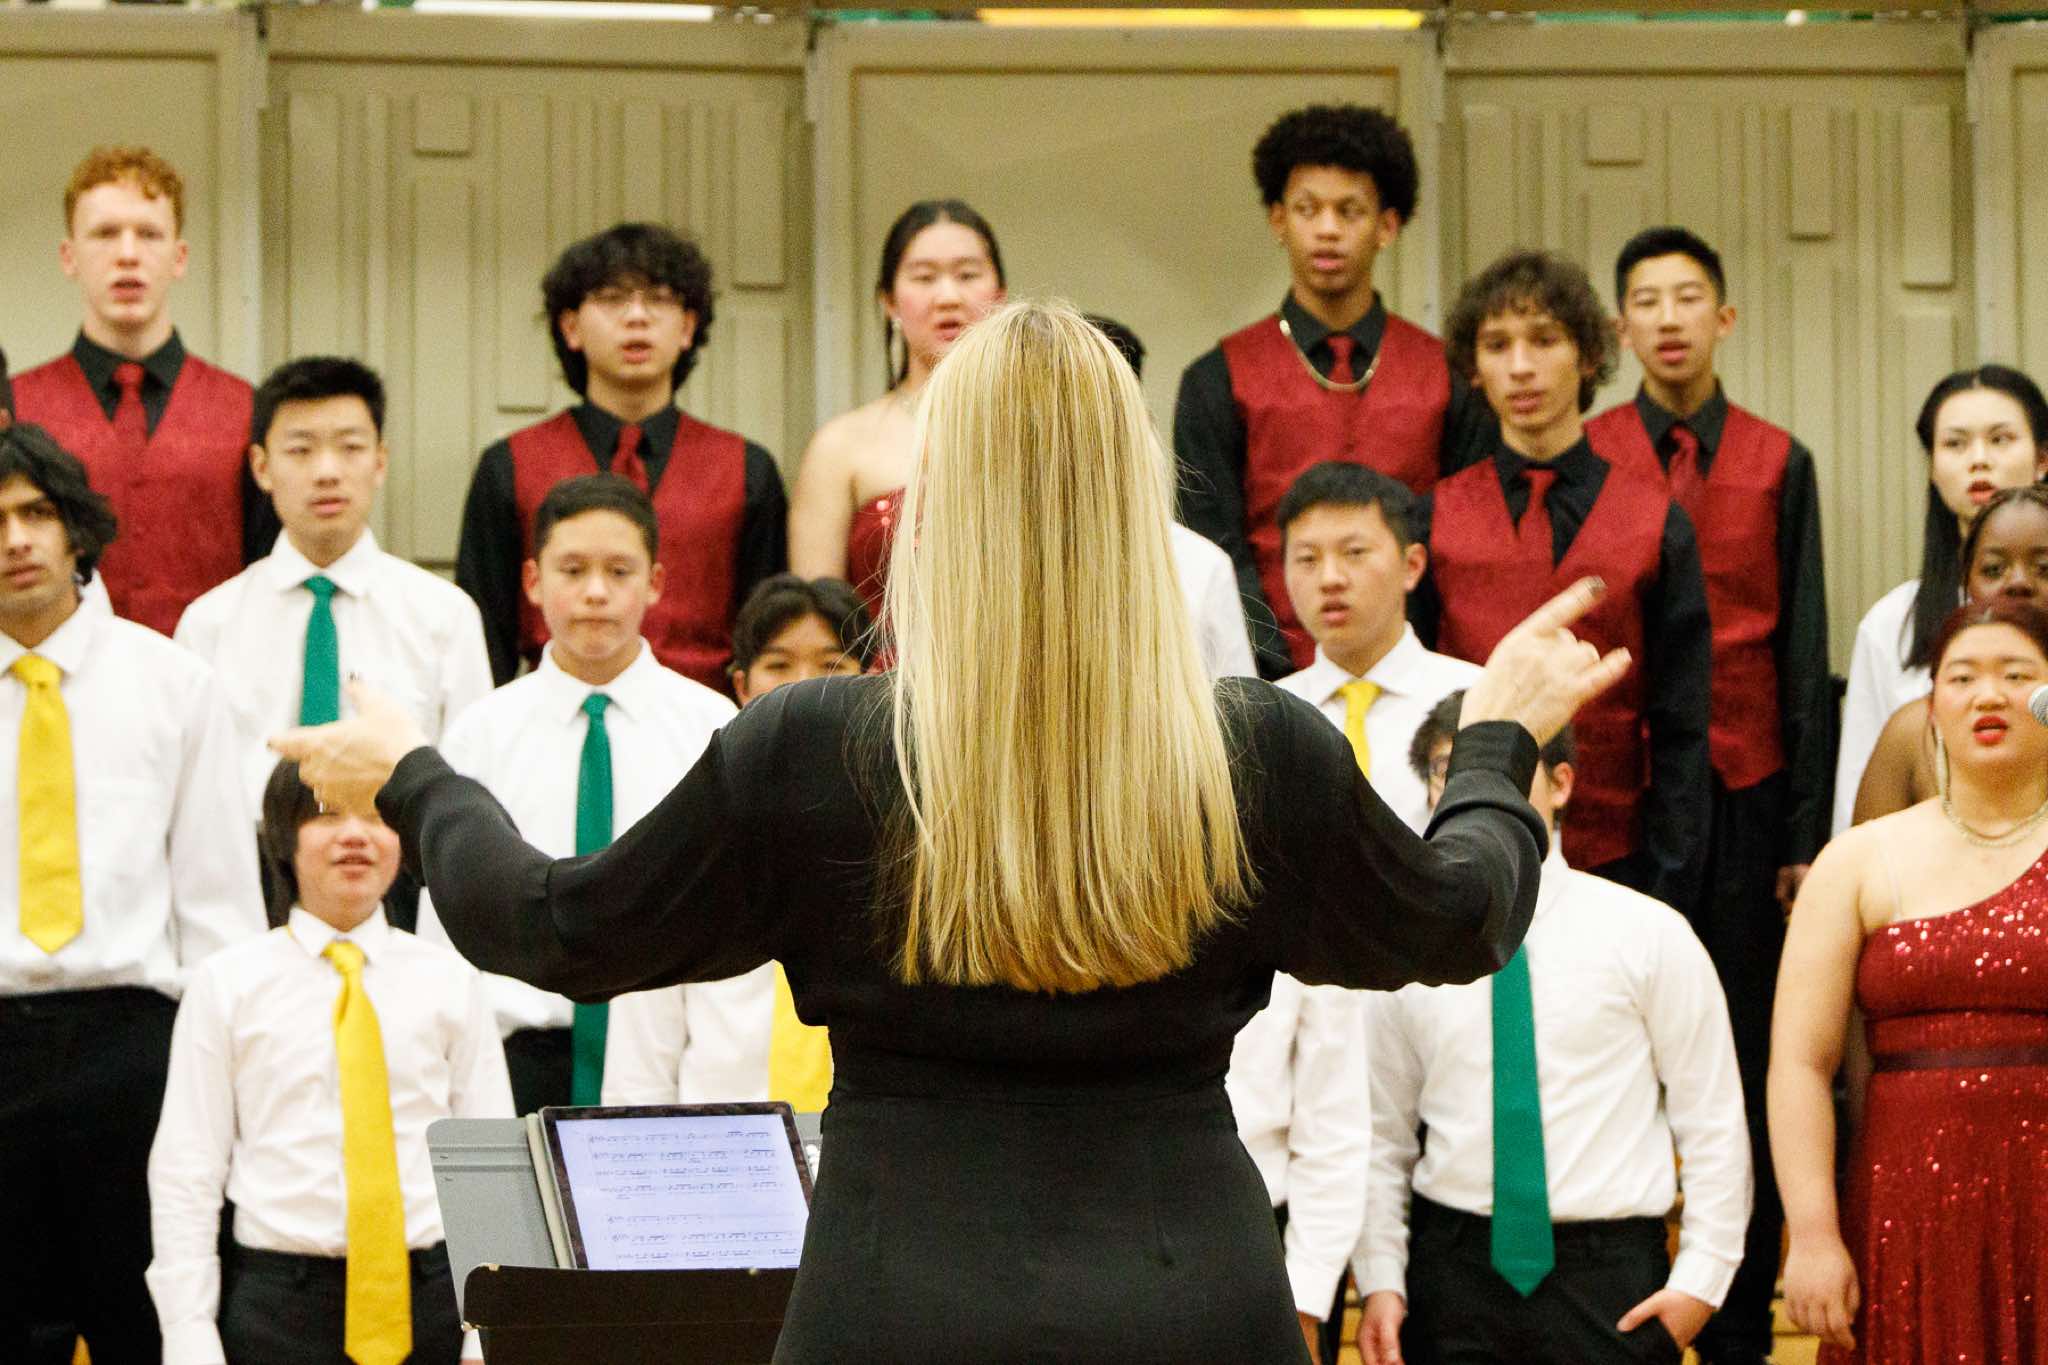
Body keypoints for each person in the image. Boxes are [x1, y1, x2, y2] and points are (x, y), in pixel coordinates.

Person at [276, 299, 1629, 1364]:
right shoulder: (1256, 748)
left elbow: (550, 926)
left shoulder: (811, 747)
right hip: (1194, 1301)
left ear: (940, 500)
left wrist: (416, 779)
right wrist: (1496, 739)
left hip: (891, 1301)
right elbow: (1460, 918)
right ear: (1133, 495)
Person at [1584, 225, 1832, 1365]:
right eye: (1647, 300)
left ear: (1723, 318)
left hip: (1745, 792)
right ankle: (1626, 1285)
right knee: (1618, 1042)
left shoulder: (1780, 460)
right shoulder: (1588, 455)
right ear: (1620, 327)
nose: (1669, 318)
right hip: (1621, 792)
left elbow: (1802, 649)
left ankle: (1739, 1319)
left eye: (1689, 298)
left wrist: (1801, 835)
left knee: (1737, 1044)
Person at [1356, 691, 1750, 1365]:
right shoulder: (1413, 951)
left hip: (1610, 1273)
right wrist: (1381, 1279)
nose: (1475, 787)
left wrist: (1701, 1283)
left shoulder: (1647, 934)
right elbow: (1381, 1133)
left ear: (1562, 783)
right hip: (1452, 1271)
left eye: (1506, 767)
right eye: (1450, 770)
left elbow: (1711, 1120)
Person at [0, 422, 263, 1364]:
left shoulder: (174, 684)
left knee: (144, 1324)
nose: (15, 539)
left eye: (36, 512)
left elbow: (220, 905)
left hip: (135, 1047)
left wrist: (231, 1084)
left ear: (78, 527)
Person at [146, 761, 510, 1365]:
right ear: (283, 838)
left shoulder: (451, 980)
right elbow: (188, 1169)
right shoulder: (227, 984)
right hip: (278, 1306)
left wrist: (487, 1329)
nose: (354, 835)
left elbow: (490, 1162)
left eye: (374, 816)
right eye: (328, 814)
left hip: (434, 1300)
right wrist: (188, 1332)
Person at [1771, 595, 2048, 1363]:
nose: (1988, 694)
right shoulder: (1859, 859)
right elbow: (1800, 1063)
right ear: (1929, 708)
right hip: (1908, 1202)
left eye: (2016, 674)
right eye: (1962, 677)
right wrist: (1814, 1234)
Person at [423, 474, 743, 1114]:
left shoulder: (712, 730)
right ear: (532, 580)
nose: (596, 592)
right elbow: (448, 921)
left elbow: (729, 925)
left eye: (619, 571)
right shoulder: (480, 735)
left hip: (665, 1061)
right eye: (572, 570)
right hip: (511, 1060)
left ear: (655, 582)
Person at [1414, 249, 1713, 913]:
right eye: (1497, 345)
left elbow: (1682, 725)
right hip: (1467, 845)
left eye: (1544, 340)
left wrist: (1670, 880)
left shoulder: (1659, 521)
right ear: (1474, 367)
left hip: (1620, 856)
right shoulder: (1433, 517)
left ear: (1588, 355)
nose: (1520, 366)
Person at [1173, 104, 1493, 676]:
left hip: (1420, 672)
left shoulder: (1449, 374)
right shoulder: (1216, 378)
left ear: (1387, 226)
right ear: (1278, 220)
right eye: (1307, 209)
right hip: (1267, 679)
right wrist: (1273, 672)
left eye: (1350, 211)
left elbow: (1464, 543)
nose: (1327, 229)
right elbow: (1215, 547)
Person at [455, 222, 787, 692]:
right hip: (552, 716)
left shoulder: (749, 470)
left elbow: (768, 642)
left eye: (659, 299)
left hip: (710, 722)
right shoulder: (508, 464)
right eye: (612, 299)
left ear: (687, 327)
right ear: (571, 327)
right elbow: (485, 638)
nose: (637, 316)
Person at [175, 356, 492, 811]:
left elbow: (472, 781)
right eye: (300, 450)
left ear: (380, 462)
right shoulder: (209, 624)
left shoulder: (446, 616)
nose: (327, 471)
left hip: (397, 847)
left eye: (350, 447)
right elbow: (191, 790)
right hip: (252, 850)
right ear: (261, 467)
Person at [604, 573, 871, 1112]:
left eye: (832, 665)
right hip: (718, 1150)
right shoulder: (692, 834)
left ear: (871, 683)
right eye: (779, 665)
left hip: (866, 1147)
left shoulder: (906, 841)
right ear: (742, 686)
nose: (804, 687)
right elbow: (641, 1063)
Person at [10, 146, 274, 636]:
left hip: (210, 673)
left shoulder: (249, 409)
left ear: (179, 257)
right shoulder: (13, 408)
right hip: (52, 675)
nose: (128, 254)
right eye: (105, 233)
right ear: (69, 257)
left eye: (149, 234)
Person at [1833, 366, 2048, 834]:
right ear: (1932, 464)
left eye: (2000, 439)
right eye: (1955, 443)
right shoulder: (1891, 624)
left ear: (2042, 458)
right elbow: (1860, 812)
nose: (1979, 460)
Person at [788, 200, 1006, 624]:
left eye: (967, 275)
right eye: (924, 278)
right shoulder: (840, 446)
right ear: (888, 301)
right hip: (878, 667)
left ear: (999, 294)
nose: (948, 296)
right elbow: (815, 627)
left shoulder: (1039, 432)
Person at [1275, 461, 1479, 831]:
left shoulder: (1478, 700)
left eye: (1354, 552)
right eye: (1307, 559)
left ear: (1412, 566)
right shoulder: (1267, 718)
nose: (1330, 579)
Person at [1853, 484, 2048, 823]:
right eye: (1993, 569)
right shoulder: (1912, 732)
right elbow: (1862, 854)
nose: (2018, 583)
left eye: (2045, 567)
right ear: (1967, 581)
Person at [1223, 952, 1369, 1365]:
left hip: (1261, 1237)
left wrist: (1304, 1300)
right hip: (1101, 1230)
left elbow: (1334, 1126)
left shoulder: (1299, 927)